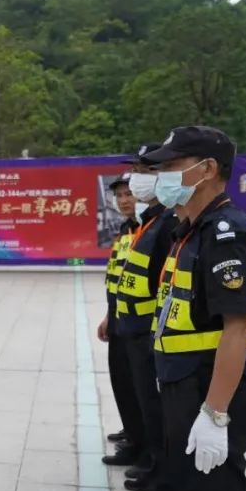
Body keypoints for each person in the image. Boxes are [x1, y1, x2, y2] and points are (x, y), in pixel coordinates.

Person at [141, 126, 246, 491]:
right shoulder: (190, 230)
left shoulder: (226, 232)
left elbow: (237, 328)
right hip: (184, 384)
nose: (162, 178)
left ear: (207, 169)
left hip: (212, 391)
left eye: (172, 168)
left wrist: (216, 414)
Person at [113, 144, 187, 491]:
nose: (137, 180)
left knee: (163, 427)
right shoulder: (149, 223)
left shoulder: (168, 224)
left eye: (147, 170)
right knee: (153, 423)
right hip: (139, 334)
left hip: (156, 342)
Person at [99, 173, 144, 466]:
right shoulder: (126, 229)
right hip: (119, 317)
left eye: (129, 194)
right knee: (122, 381)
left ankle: (139, 445)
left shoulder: (147, 229)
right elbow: (120, 278)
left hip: (138, 324)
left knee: (136, 385)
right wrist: (108, 315)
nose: (125, 200)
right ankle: (132, 431)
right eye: (120, 196)